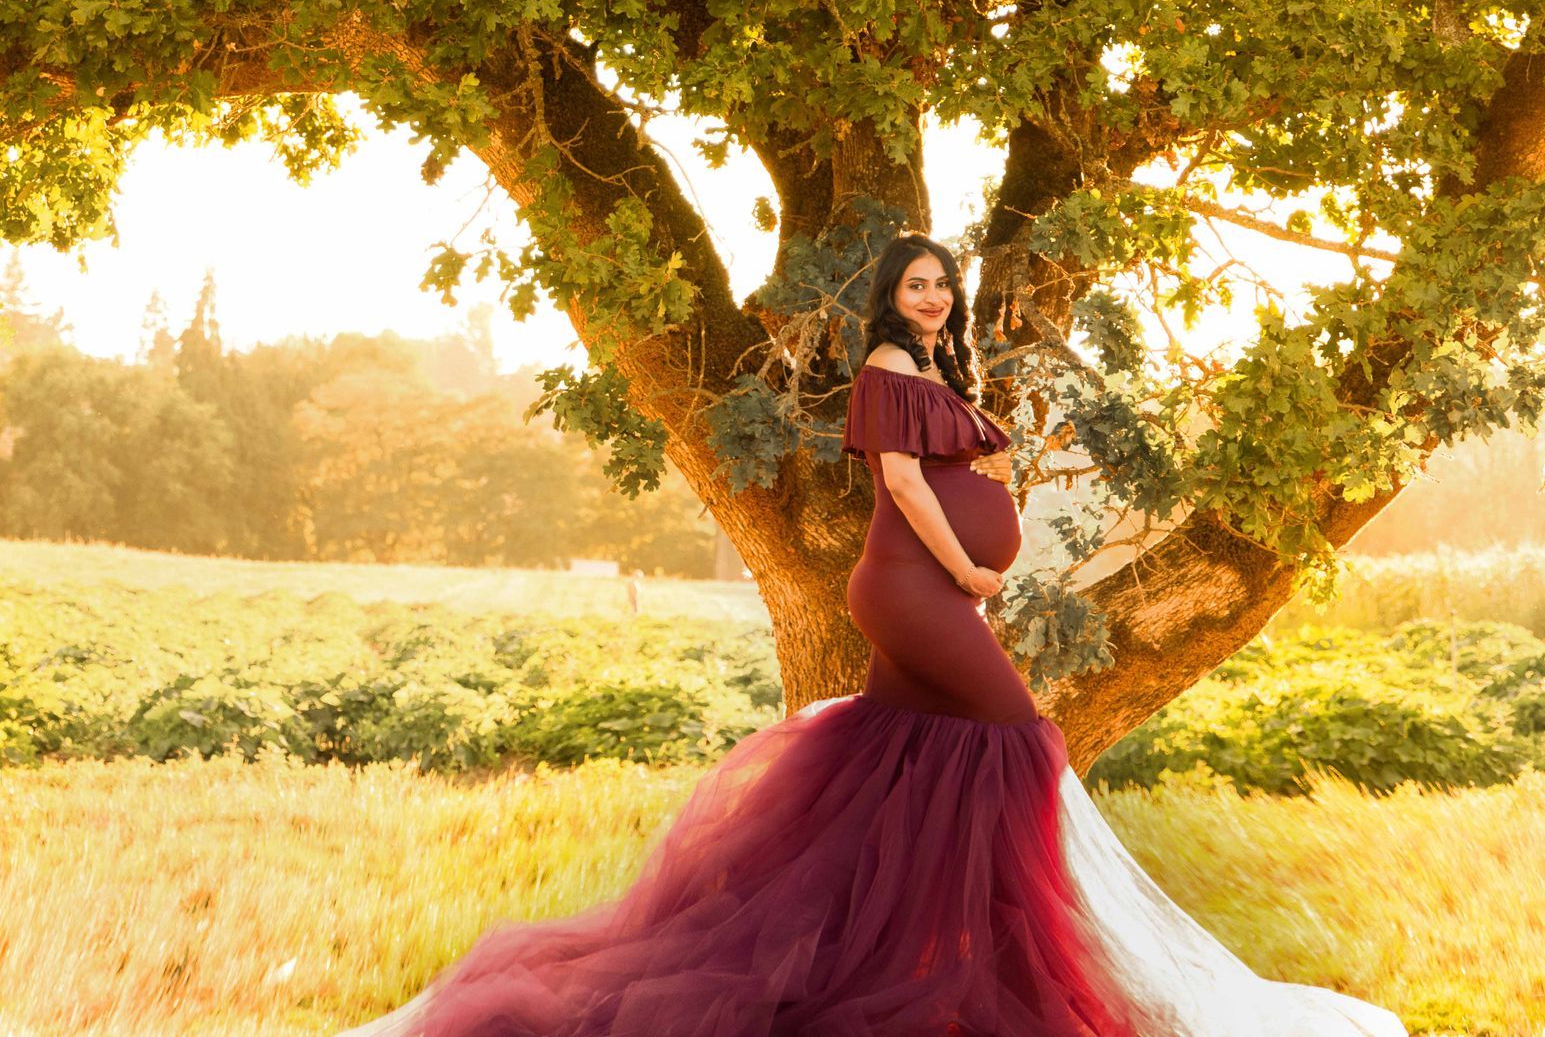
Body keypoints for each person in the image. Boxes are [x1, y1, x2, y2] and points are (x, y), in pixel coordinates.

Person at [344, 234, 1404, 1037]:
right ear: (889, 297)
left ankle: (894, 949)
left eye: (943, 279)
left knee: (901, 757)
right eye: (915, 281)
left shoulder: (941, 368)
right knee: (1016, 734)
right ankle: (1013, 953)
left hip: (931, 590)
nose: (933, 293)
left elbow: (951, 470)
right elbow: (900, 480)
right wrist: (968, 571)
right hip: (913, 585)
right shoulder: (893, 365)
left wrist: (989, 523)